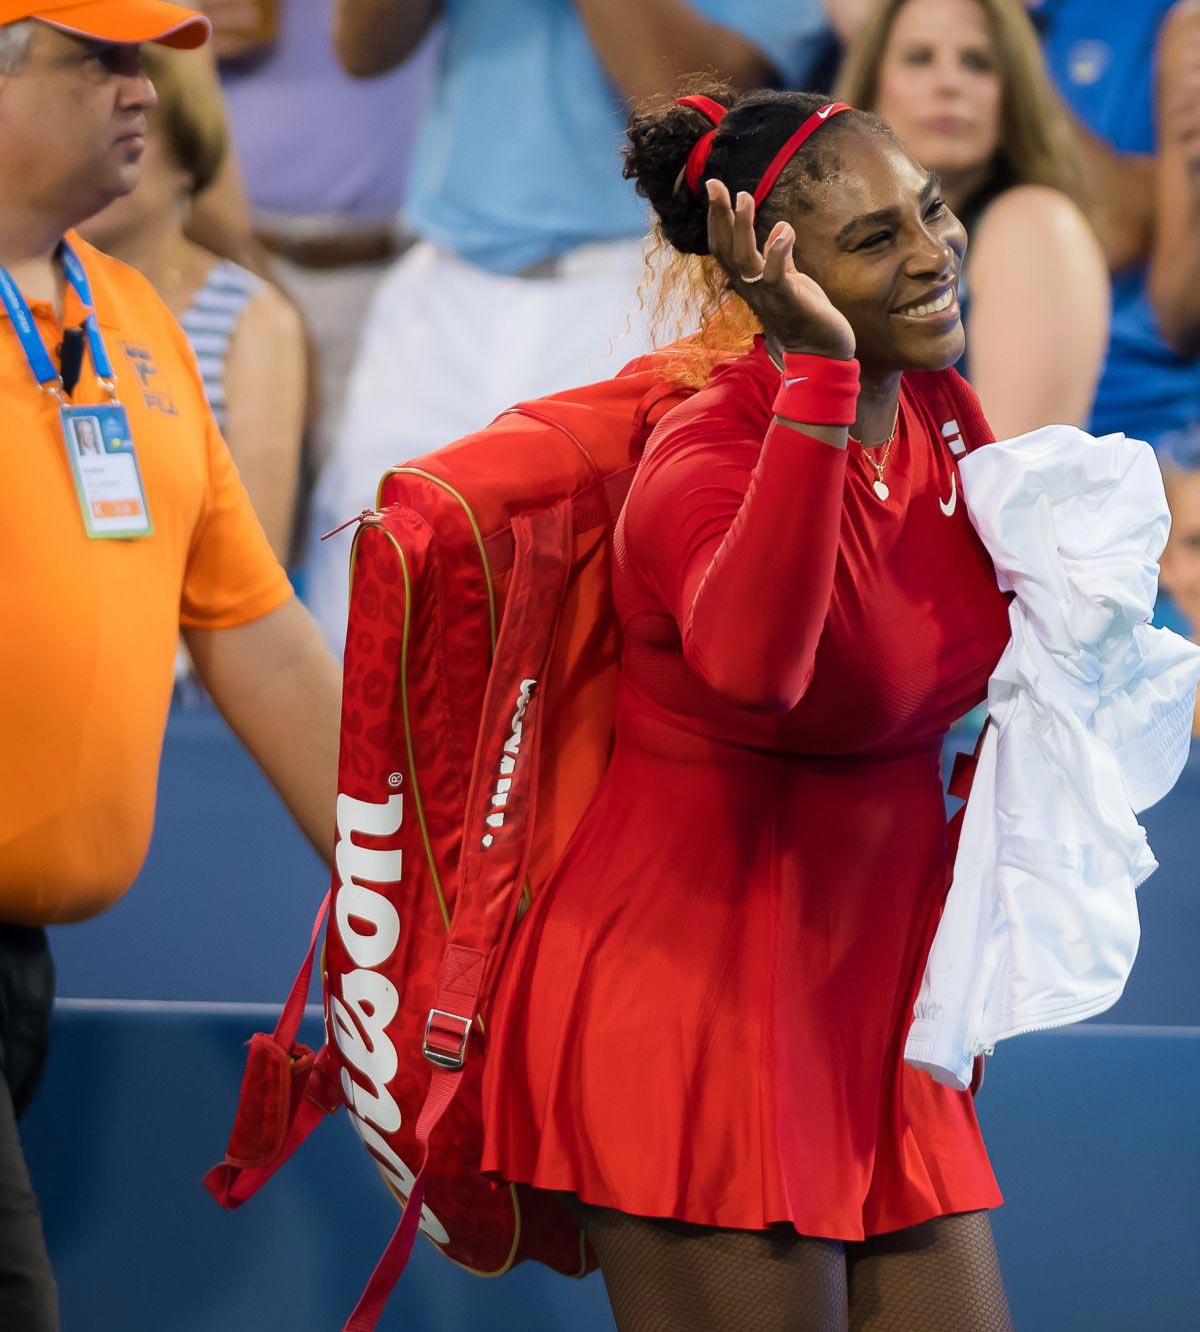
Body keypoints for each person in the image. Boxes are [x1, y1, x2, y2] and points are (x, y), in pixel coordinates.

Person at [480, 87, 1016, 1330]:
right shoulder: (702, 462)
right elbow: (761, 670)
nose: (933, 252)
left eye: (928, 211)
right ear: (766, 275)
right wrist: (821, 371)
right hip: (695, 1014)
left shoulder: (943, 412)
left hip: (879, 1018)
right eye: (875, 241)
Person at [0, 6, 342, 1328]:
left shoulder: (130, 313)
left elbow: (253, 633)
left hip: (23, 961)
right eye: (102, 61)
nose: (143, 92)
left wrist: (401, 892)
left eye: (147, 63)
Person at [304, 0, 828, 653]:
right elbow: (362, 48)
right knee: (371, 592)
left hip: (637, 285)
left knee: (595, 623)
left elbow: (697, 118)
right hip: (442, 276)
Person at [834, 0, 1108, 440]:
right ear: (870, 90)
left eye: (978, 63)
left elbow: (1012, 488)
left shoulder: (1037, 226)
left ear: (1013, 97)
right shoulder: (824, 242)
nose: (948, 83)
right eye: (919, 58)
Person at [79, 42, 307, 558]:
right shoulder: (32, 293)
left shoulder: (255, 318)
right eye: (87, 123)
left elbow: (258, 546)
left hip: (187, 613)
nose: (102, 145)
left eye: (135, 120)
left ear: (189, 158)